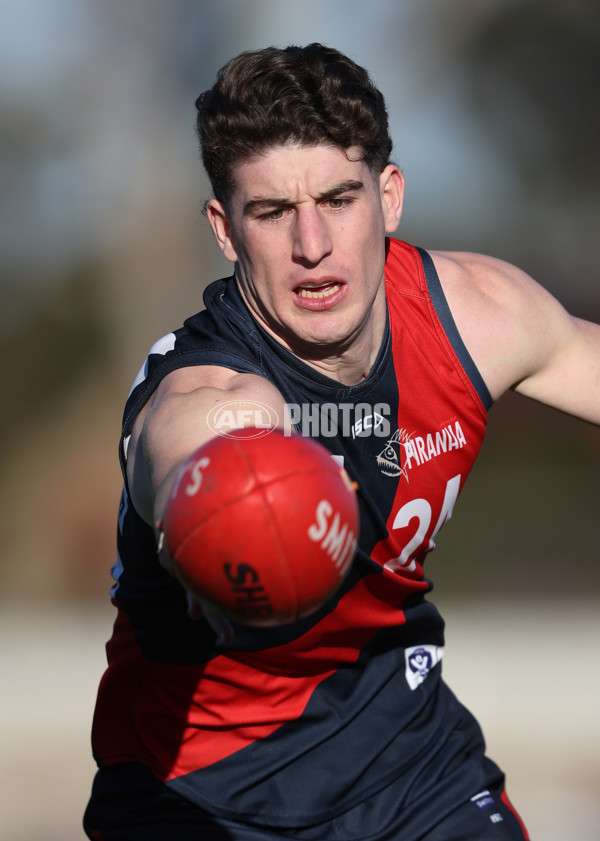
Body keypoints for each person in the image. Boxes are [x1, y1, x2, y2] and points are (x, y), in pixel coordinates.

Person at [84, 43, 600, 841]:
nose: (313, 244)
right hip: (200, 794)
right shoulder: (210, 395)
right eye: (272, 212)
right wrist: (227, 505)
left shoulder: (476, 317)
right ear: (225, 229)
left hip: (412, 769)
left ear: (388, 197)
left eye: (339, 198)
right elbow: (192, 456)